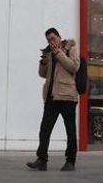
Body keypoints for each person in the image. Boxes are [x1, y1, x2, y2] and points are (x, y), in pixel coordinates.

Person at [26, 28, 79, 171]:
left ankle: (70, 161)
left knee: (70, 131)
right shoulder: (49, 53)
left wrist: (58, 53)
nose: (51, 42)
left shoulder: (70, 47)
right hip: (51, 97)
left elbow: (74, 67)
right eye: (49, 40)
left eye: (53, 38)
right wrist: (43, 62)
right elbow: (42, 74)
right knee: (45, 130)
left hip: (67, 96)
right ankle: (42, 160)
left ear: (59, 37)